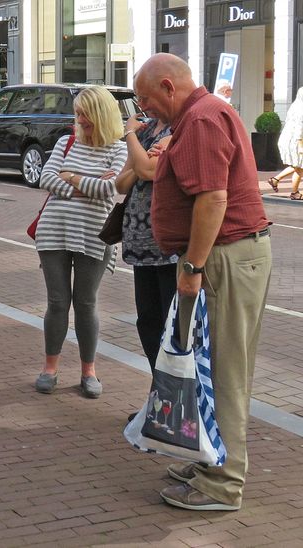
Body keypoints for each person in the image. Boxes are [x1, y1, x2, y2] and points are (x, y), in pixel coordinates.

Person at [135, 53, 271, 511]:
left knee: (225, 371)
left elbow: (212, 198)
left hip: (224, 259)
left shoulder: (200, 119)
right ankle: (210, 459)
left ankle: (224, 481)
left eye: (147, 99)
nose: (144, 109)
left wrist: (192, 267)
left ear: (169, 87)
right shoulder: (203, 114)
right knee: (213, 369)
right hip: (228, 257)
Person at [34, 86, 128, 398]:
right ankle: (50, 368)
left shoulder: (118, 148)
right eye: (77, 113)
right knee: (57, 302)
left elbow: (109, 190)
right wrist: (87, 184)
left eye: (86, 113)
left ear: (102, 114)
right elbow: (45, 178)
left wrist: (71, 178)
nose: (81, 119)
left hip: (94, 234)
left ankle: (89, 371)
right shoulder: (66, 141)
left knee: (86, 303)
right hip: (54, 231)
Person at [115, 114, 175, 420]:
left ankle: (174, 404)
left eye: (146, 95)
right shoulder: (149, 130)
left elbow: (146, 171)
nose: (142, 104)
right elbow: (121, 181)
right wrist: (140, 158)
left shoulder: (179, 127)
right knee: (148, 322)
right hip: (140, 247)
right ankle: (160, 399)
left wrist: (129, 136)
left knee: (171, 328)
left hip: (168, 249)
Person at [267, 87, 303, 199]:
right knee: (299, 167)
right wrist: (301, 146)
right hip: (295, 141)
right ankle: (294, 192)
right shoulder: (301, 110)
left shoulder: (294, 106)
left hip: (289, 139)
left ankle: (276, 180)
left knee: (297, 166)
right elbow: (299, 129)